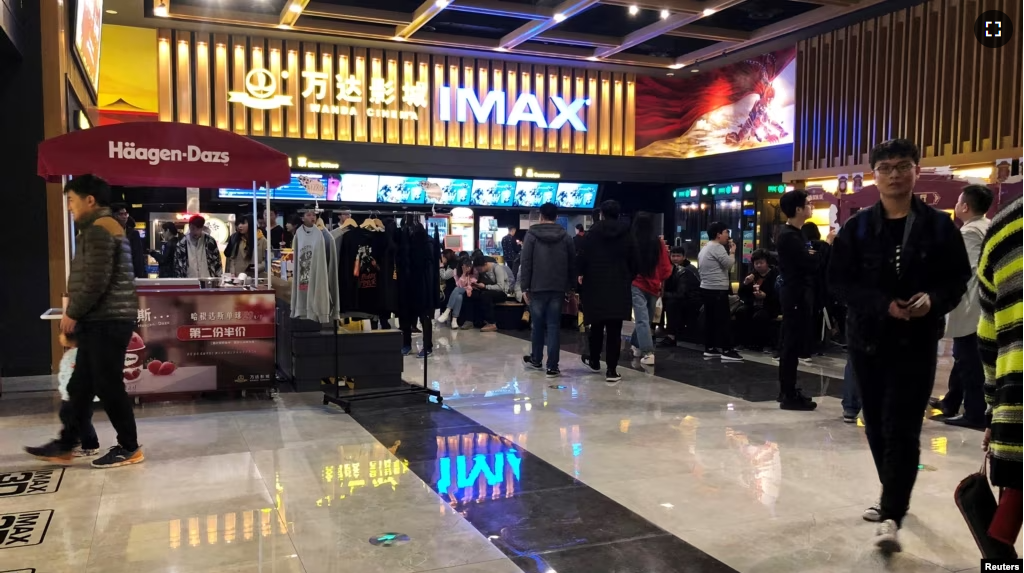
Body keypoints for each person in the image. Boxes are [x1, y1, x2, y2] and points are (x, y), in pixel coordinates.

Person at [828, 138, 970, 552]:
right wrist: (881, 305)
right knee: (875, 424)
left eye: (902, 166)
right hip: (869, 341)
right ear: (874, 175)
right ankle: (892, 491)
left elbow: (956, 279)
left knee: (903, 427)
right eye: (886, 167)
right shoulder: (857, 228)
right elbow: (839, 282)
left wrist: (934, 300)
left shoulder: (939, 226)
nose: (894, 174)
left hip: (917, 342)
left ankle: (891, 512)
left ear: (916, 170)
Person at [25, 175, 144, 468]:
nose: (69, 207)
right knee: (81, 385)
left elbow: (95, 280)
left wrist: (73, 312)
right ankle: (67, 443)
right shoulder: (99, 228)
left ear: (90, 200)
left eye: (72, 200)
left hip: (108, 320)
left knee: (107, 384)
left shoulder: (101, 229)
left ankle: (129, 447)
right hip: (103, 319)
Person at [929, 185, 993, 428]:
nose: (956, 205)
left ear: (965, 206)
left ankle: (974, 413)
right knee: (961, 356)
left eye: (957, 201)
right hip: (980, 304)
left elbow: (962, 271)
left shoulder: (969, 233)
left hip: (970, 304)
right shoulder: (986, 226)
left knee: (969, 360)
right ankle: (951, 401)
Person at [977, 196, 1022, 532]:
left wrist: (994, 409)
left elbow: (988, 336)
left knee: (1003, 536)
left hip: (1016, 413)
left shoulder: (1004, 226)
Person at [776, 190, 832, 410]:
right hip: (795, 294)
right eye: (808, 204)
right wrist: (825, 246)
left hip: (800, 293)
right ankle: (788, 392)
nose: (812, 207)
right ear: (798, 209)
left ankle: (789, 389)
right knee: (791, 344)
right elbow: (809, 263)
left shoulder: (797, 234)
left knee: (793, 342)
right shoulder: (789, 236)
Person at [578, 200, 639, 383]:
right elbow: (634, 260)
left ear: (602, 213)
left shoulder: (592, 233)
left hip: (595, 285)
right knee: (615, 329)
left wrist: (581, 274)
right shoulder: (627, 233)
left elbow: (583, 257)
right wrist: (627, 276)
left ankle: (595, 360)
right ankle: (611, 370)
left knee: (596, 325)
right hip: (618, 286)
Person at [519, 202, 576, 377]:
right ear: (556, 216)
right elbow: (571, 264)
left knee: (537, 325)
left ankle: (536, 359)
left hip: (537, 287)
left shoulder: (531, 235)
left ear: (541, 216)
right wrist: (571, 287)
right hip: (558, 287)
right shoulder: (566, 236)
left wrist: (524, 287)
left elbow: (526, 262)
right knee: (553, 326)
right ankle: (552, 366)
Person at [629, 213, 672, 365]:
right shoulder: (658, 243)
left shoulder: (631, 241)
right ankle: (637, 345)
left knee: (642, 319)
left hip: (636, 283)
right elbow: (666, 267)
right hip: (654, 286)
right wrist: (660, 281)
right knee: (645, 318)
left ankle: (647, 351)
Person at [698, 222, 742, 361]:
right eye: (726, 232)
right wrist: (733, 251)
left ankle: (710, 348)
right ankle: (727, 350)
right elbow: (729, 265)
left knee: (711, 319)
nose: (727, 236)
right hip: (717, 289)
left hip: (706, 287)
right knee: (724, 320)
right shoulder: (717, 247)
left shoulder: (706, 247)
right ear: (718, 234)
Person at [735, 248, 780, 352]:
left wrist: (765, 295)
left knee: (760, 316)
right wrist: (745, 283)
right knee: (741, 312)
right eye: (756, 263)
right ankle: (743, 342)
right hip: (753, 304)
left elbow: (778, 293)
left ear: (767, 262)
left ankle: (765, 344)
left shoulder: (775, 275)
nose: (758, 265)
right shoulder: (752, 275)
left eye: (761, 263)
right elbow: (741, 294)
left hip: (770, 305)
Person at [659, 245, 701, 347]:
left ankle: (671, 335)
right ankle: (657, 330)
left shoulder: (687, 270)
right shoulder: (672, 268)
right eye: (673, 256)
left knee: (671, 303)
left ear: (684, 257)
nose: (675, 258)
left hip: (691, 300)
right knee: (658, 301)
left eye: (678, 256)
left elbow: (682, 293)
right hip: (681, 297)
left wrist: (663, 294)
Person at [462, 254, 510, 332]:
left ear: (485, 264)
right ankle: (469, 320)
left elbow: (501, 287)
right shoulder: (480, 271)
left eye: (479, 269)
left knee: (485, 296)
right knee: (469, 294)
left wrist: (485, 287)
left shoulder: (497, 269)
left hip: (501, 293)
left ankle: (491, 323)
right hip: (487, 290)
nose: (478, 271)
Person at [438, 257, 476, 329]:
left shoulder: (474, 271)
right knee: (459, 296)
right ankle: (454, 320)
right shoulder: (455, 271)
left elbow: (472, 284)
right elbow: (459, 284)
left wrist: (466, 275)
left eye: (468, 266)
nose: (467, 268)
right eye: (464, 267)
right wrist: (464, 274)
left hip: (471, 290)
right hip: (460, 290)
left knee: (457, 290)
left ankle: (447, 311)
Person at [113, 204, 148, 279]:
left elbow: (138, 255)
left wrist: (140, 274)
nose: (124, 216)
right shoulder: (110, 232)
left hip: (130, 272)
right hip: (115, 272)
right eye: (121, 214)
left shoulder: (133, 233)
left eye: (125, 214)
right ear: (115, 216)